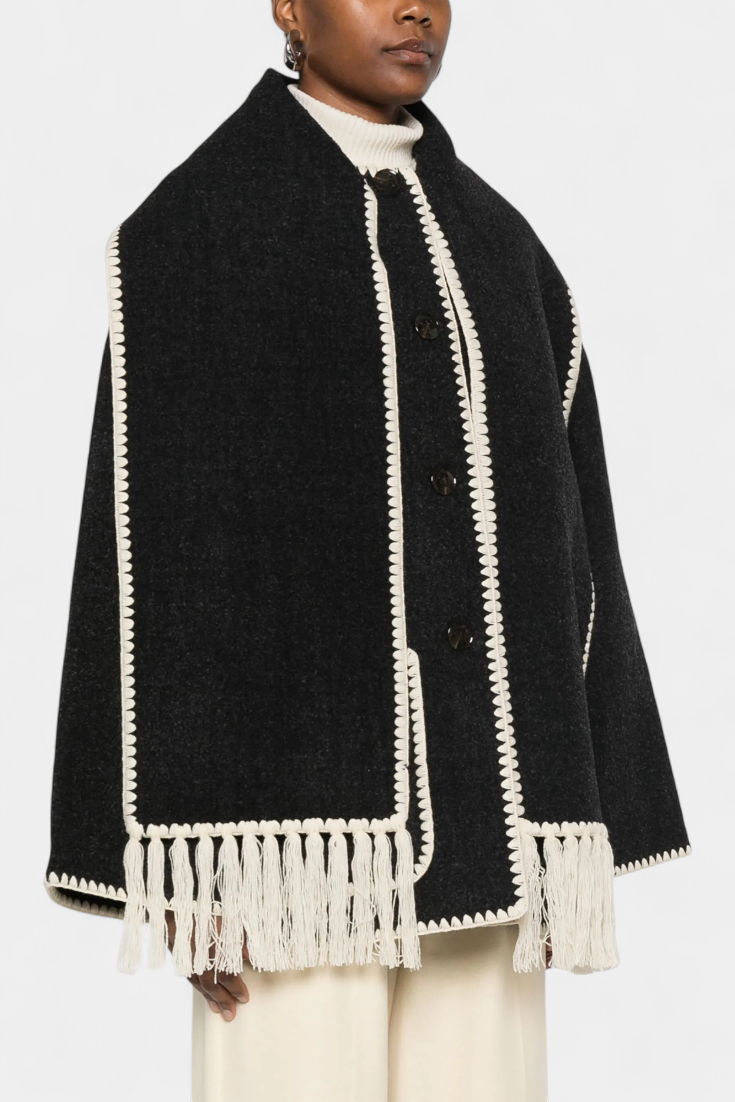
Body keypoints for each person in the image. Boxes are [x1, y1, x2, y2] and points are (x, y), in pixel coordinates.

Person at [45, 2, 690, 1099]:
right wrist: (178, 860)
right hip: (280, 852)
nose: (414, 9)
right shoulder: (193, 232)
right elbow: (139, 568)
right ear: (289, 8)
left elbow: (579, 542)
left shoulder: (502, 249)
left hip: (493, 822)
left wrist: (577, 803)